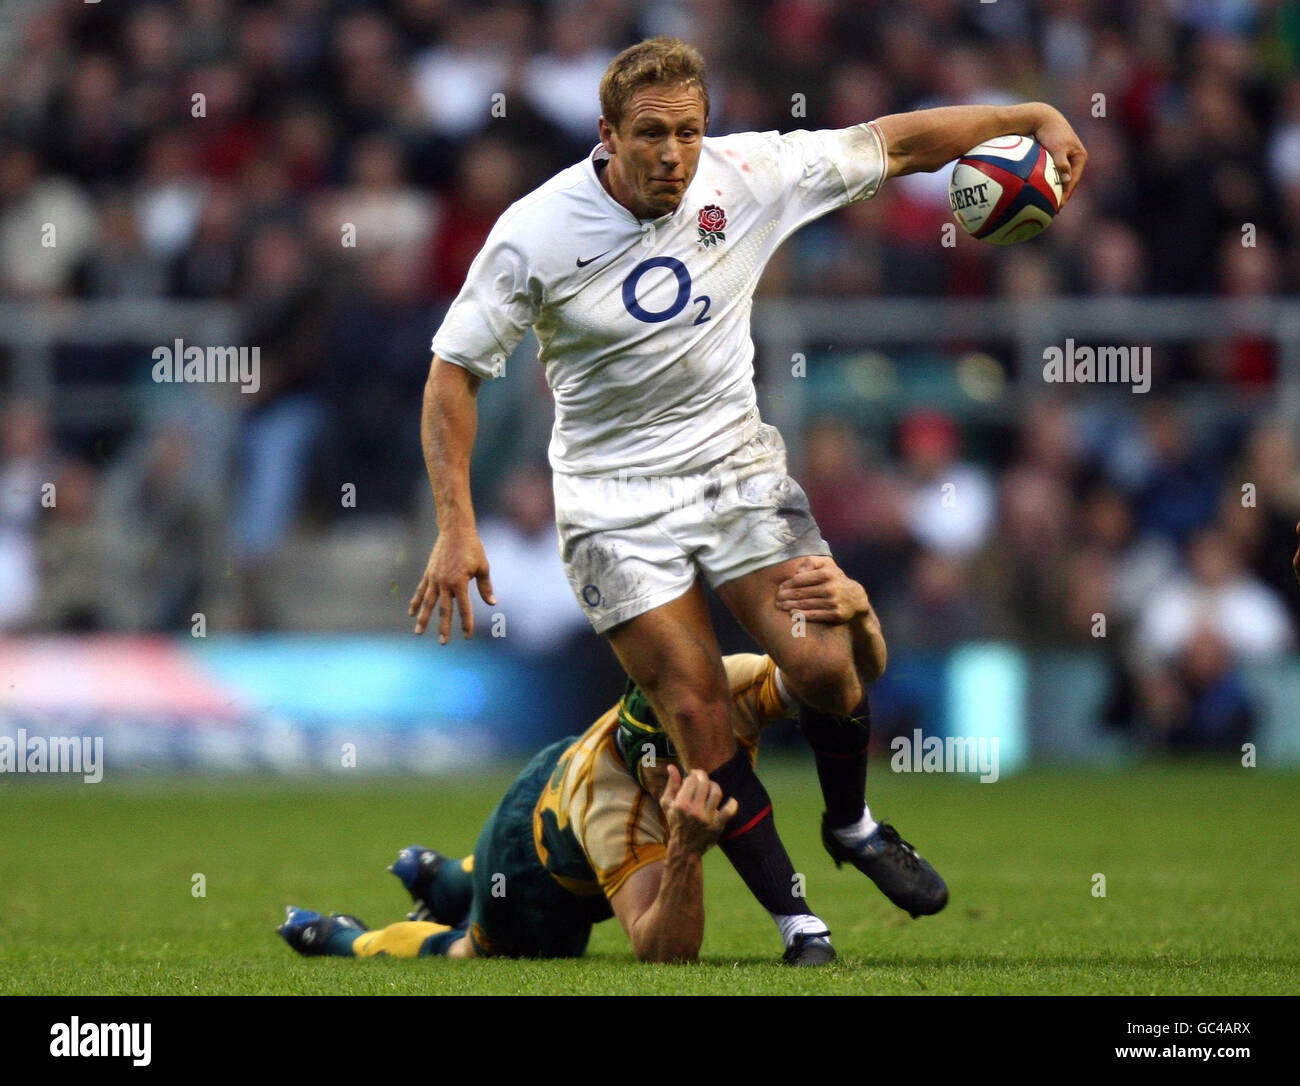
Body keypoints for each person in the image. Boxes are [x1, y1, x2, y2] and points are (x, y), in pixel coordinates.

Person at [409, 36, 1085, 961]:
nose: (673, 154)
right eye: (651, 134)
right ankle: (797, 920)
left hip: (735, 472)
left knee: (826, 668)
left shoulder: (749, 172)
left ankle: (851, 824)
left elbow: (897, 143)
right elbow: (452, 374)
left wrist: (1023, 118)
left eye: (689, 131)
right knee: (695, 709)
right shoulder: (535, 230)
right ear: (607, 135)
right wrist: (457, 525)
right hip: (612, 504)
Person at [285, 561, 930, 965]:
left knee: (474, 877)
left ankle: (439, 876)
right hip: (539, 863)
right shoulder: (615, 811)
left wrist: (862, 616)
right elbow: (665, 951)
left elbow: (837, 686)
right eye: (661, 770)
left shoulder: (712, 693)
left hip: (557, 774)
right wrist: (682, 851)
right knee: (472, 949)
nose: (675, 775)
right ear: (642, 765)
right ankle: (346, 938)